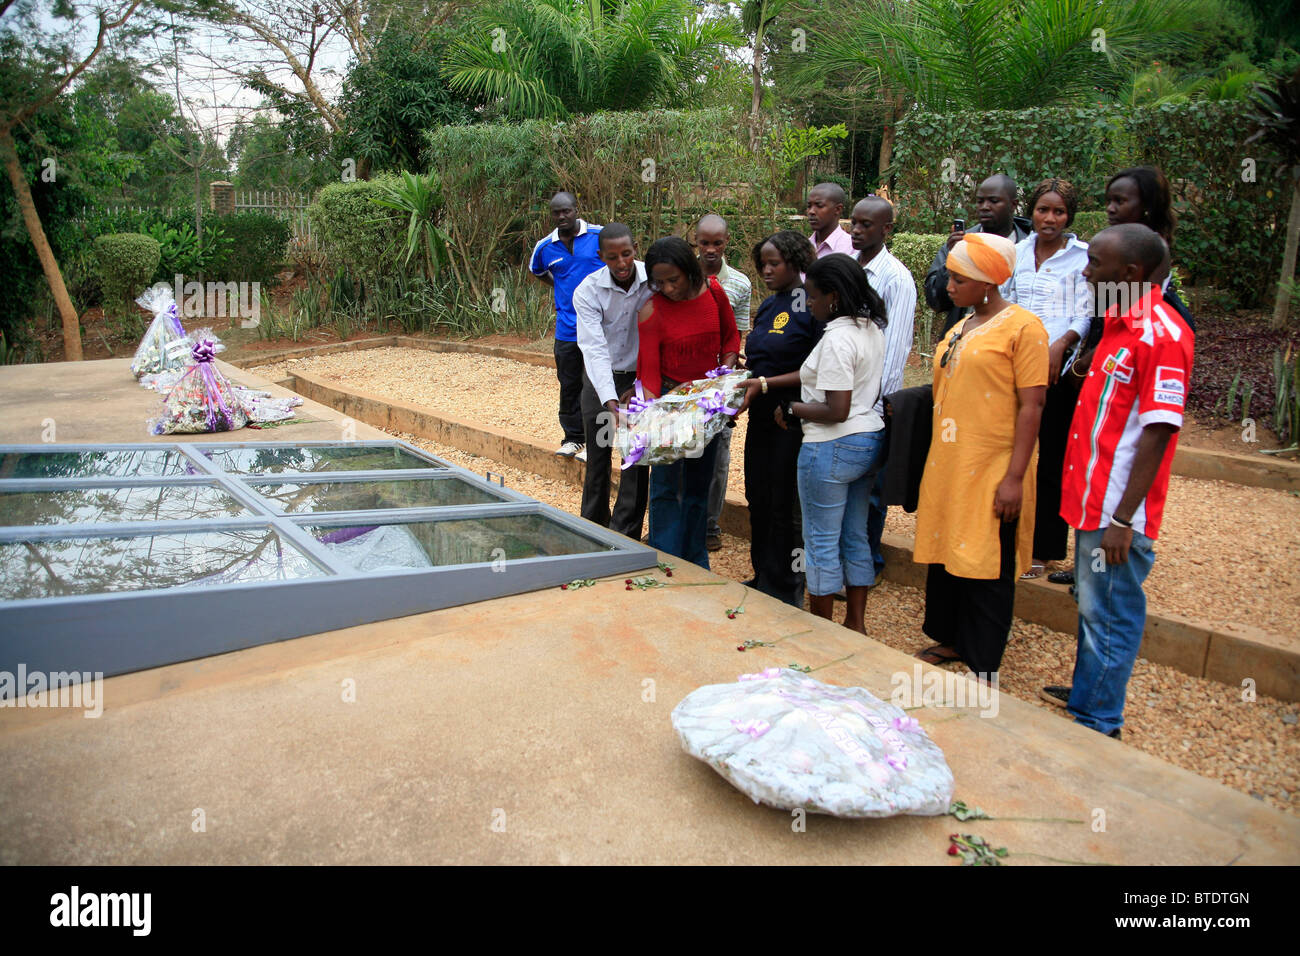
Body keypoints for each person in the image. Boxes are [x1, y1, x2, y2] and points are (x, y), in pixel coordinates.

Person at [1041, 224, 1194, 740]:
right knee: (1093, 604)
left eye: (1095, 264)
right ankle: (1090, 691)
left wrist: (1124, 520)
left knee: (1111, 612)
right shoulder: (1117, 326)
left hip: (1115, 511)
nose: (1085, 270)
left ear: (1128, 274)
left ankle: (1099, 722)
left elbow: (1157, 432)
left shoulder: (1162, 335)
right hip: (1092, 501)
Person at [912, 233, 1048, 678]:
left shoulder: (1024, 329)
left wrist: (1014, 477)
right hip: (950, 462)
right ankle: (951, 638)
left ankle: (983, 657)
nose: (948, 286)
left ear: (988, 281)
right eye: (950, 276)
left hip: (993, 465)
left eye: (958, 278)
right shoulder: (961, 326)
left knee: (988, 558)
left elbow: (1033, 405)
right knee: (951, 548)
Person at [784, 254, 888, 632]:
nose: (808, 304)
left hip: (830, 445)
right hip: (867, 439)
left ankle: (823, 632)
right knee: (855, 534)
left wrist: (793, 409)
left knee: (821, 541)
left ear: (834, 296)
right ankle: (855, 624)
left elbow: (836, 408)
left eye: (813, 297)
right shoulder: (870, 328)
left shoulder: (836, 339)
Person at [1004, 178, 1093, 581]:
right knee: (1010, 452)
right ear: (1032, 211)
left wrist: (1062, 344)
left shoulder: (1083, 257)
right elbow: (1004, 300)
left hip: (1056, 370)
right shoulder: (1016, 252)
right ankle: (1009, 537)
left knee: (1052, 459)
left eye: (1058, 211)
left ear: (1069, 215)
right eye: (1043, 209)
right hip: (1011, 366)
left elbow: (1086, 310)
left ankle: (1045, 547)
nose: (1050, 218)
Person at [637, 236, 740, 568]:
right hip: (669, 404)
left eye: (673, 280)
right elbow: (649, 370)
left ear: (689, 271)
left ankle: (695, 559)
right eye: (659, 282)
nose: (667, 288)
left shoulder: (714, 293)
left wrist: (725, 371)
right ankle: (666, 558)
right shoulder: (651, 309)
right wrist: (651, 414)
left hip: (707, 405)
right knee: (666, 485)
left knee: (699, 484)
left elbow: (730, 336)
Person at [737, 230, 821, 607]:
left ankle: (788, 587)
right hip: (760, 412)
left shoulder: (813, 305)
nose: (766, 271)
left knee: (785, 503)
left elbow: (819, 368)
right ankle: (763, 575)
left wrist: (767, 383)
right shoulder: (771, 305)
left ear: (796, 262)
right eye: (763, 265)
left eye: (775, 264)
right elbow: (758, 355)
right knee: (758, 495)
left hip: (792, 415)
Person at [850, 195, 916, 580]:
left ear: (886, 230)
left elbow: (895, 350)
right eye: (854, 224)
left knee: (870, 491)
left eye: (866, 225)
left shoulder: (895, 278)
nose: (857, 231)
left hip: (871, 405)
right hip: (845, 400)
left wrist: (875, 405)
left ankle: (868, 564)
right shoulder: (850, 270)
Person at [574, 223, 651, 539]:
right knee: (598, 453)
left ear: (636, 247)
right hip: (599, 378)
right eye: (612, 257)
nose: (621, 263)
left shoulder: (654, 281)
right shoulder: (588, 290)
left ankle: (625, 532)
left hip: (640, 378)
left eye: (626, 254)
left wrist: (641, 387)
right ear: (600, 256)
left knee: (635, 456)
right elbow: (593, 350)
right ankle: (592, 527)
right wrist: (610, 402)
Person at [530, 191, 604, 460]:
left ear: (576, 209)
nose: (561, 216)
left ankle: (597, 444)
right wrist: (564, 290)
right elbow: (539, 272)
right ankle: (574, 438)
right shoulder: (545, 247)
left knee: (597, 386)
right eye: (556, 212)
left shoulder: (599, 236)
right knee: (569, 384)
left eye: (566, 211)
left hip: (599, 329)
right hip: (567, 330)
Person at [695, 214, 753, 552]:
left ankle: (710, 526)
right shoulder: (680, 275)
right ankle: (679, 523)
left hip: (720, 381)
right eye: (705, 243)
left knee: (718, 455)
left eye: (717, 243)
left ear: (726, 242)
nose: (711, 249)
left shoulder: (741, 284)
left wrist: (728, 375)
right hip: (685, 378)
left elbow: (737, 335)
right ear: (697, 242)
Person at [925, 175, 1033, 336]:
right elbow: (935, 300)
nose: (985, 207)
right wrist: (953, 260)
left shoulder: (1030, 248)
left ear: (1013, 205)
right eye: (980, 201)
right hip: (965, 342)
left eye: (993, 201)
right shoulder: (961, 243)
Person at [1102, 166, 1195, 333]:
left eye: (1120, 201)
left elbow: (1140, 315)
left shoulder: (1154, 248)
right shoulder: (1118, 242)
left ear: (1146, 205)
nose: (1110, 208)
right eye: (1109, 201)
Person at [806, 183, 854, 258]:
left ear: (838, 209)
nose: (811, 211)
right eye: (809, 206)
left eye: (819, 206)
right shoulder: (803, 247)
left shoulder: (851, 249)